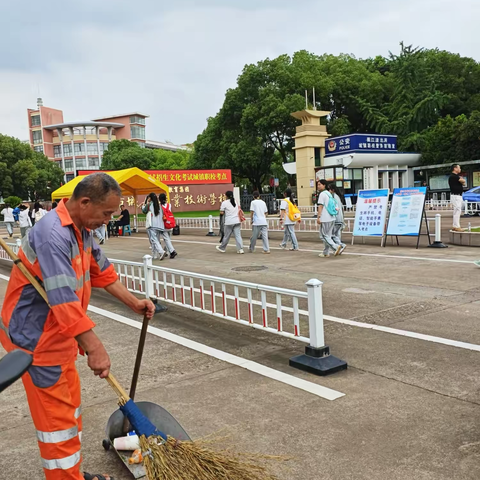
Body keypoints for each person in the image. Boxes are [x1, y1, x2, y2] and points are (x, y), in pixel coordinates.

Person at [0, 173, 155, 480]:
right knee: (57, 427)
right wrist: (95, 347)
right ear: (85, 202)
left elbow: (102, 271)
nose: (109, 220)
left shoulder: (82, 229)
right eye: (106, 213)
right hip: (36, 343)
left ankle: (72, 474)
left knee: (70, 415)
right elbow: (62, 300)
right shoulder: (52, 234)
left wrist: (133, 302)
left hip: (61, 337)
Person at [317, 179, 342, 258]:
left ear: (324, 185)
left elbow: (320, 206)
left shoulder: (322, 194)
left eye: (319, 184)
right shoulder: (329, 194)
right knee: (328, 236)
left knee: (323, 236)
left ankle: (335, 247)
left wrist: (318, 217)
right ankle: (326, 252)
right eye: (318, 184)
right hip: (332, 217)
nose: (318, 186)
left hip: (325, 218)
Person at [143, 193, 168, 260]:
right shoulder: (159, 205)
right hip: (159, 225)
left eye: (148, 197)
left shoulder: (149, 205)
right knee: (156, 240)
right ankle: (154, 255)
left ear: (150, 198)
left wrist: (143, 206)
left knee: (154, 240)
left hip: (152, 225)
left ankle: (161, 252)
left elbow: (144, 211)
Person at [328, 183, 347, 255]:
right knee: (337, 235)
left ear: (332, 190)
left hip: (335, 219)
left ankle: (341, 245)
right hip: (340, 219)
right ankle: (338, 249)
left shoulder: (333, 197)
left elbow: (333, 208)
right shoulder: (338, 197)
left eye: (329, 189)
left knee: (331, 235)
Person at [158, 193, 177, 259]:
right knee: (168, 239)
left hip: (164, 225)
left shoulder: (160, 206)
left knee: (166, 239)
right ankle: (167, 251)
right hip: (170, 224)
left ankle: (172, 251)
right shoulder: (169, 205)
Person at [449, 164, 465, 232]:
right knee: (457, 210)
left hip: (458, 195)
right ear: (455, 168)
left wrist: (462, 180)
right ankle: (456, 226)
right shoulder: (453, 176)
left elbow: (463, 183)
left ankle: (455, 225)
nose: (460, 169)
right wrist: (461, 180)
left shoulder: (456, 177)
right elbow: (463, 181)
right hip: (456, 195)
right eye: (459, 168)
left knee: (457, 210)